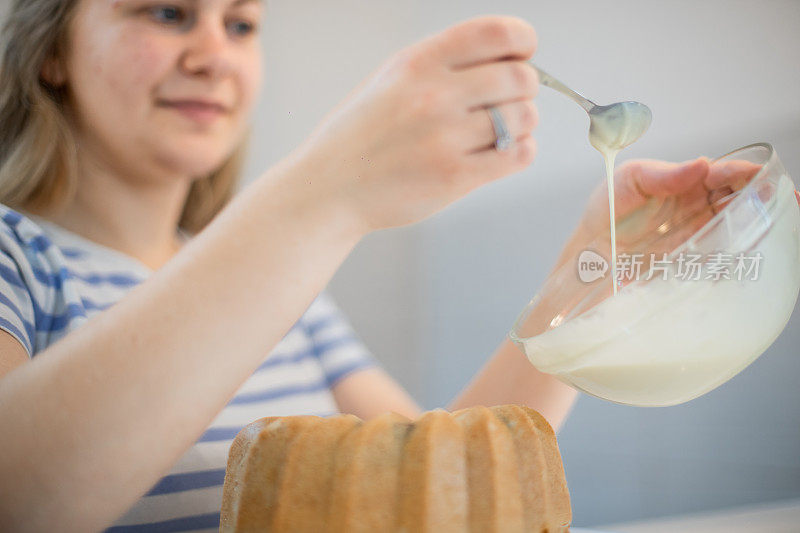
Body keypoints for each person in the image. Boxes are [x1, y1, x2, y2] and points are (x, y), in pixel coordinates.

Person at [0, 1, 788, 531]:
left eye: (242, 24)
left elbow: (441, 483)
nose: (214, 53)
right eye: (167, 11)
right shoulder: (16, 258)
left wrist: (590, 277)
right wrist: (324, 190)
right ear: (51, 53)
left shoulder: (293, 298)